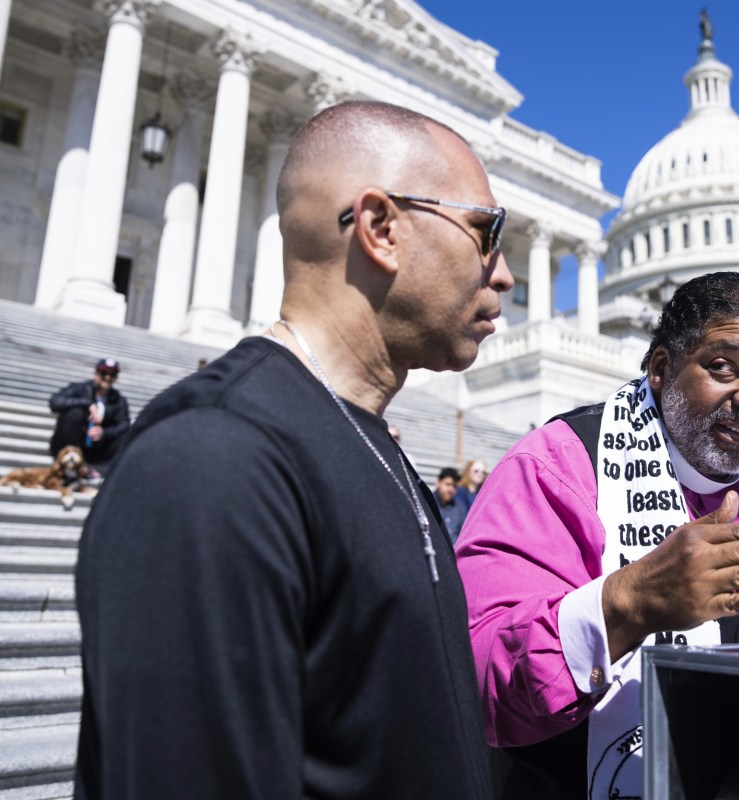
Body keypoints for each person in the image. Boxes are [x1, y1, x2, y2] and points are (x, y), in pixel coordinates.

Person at [74, 100, 513, 798]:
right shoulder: (212, 458)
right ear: (381, 229)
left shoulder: (366, 441)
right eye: (486, 232)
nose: (504, 273)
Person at [455, 272, 739, 799]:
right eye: (723, 366)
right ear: (662, 368)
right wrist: (628, 605)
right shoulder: (558, 466)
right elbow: (471, 683)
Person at [49, 358, 130, 470]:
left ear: (116, 378)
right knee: (75, 413)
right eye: (104, 373)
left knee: (126, 434)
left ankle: (110, 469)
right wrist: (87, 404)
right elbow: (55, 402)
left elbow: (124, 425)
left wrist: (104, 433)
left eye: (112, 374)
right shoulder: (79, 389)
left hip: (95, 449)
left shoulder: (119, 400)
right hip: (68, 447)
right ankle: (74, 457)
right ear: (95, 374)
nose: (107, 377)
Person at [435, 465, 470, 543]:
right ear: (438, 483)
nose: (451, 489)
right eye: (448, 484)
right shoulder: (429, 503)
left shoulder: (460, 507)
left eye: (454, 486)